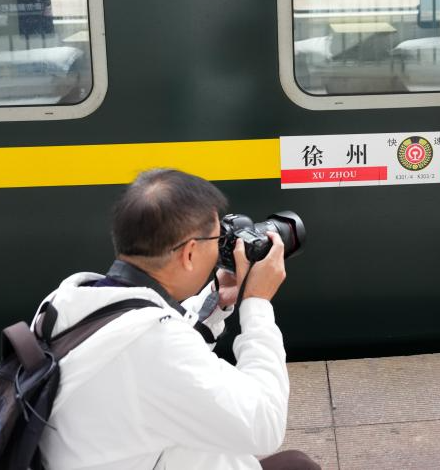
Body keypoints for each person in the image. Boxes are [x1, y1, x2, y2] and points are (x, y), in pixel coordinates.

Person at [35, 168, 319, 469]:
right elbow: (265, 424)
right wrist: (257, 304)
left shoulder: (68, 300)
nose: (222, 248)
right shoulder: (157, 348)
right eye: (217, 239)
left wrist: (215, 300)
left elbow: (154, 346)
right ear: (190, 254)